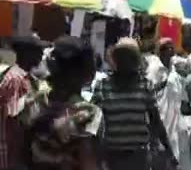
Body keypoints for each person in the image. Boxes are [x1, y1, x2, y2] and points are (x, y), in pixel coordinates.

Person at [92, 38, 178, 170]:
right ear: (116, 60)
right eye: (122, 57)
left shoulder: (145, 84)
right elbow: (93, 122)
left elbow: (155, 120)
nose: (125, 62)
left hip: (138, 156)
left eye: (129, 57)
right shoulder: (102, 86)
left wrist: (168, 149)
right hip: (112, 156)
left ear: (135, 60)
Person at [20, 36, 100, 170]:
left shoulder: (33, 101)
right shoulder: (87, 112)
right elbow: (87, 162)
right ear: (87, 73)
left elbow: (22, 152)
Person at [0, 35, 46, 170]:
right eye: (38, 51)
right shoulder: (15, 79)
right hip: (11, 153)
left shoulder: (25, 77)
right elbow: (13, 118)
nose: (41, 55)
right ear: (26, 53)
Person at [154, 38, 191, 170]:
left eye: (172, 47)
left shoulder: (175, 73)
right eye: (167, 47)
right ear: (161, 51)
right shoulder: (155, 70)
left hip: (175, 118)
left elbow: (183, 97)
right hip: (160, 116)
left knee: (175, 153)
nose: (171, 50)